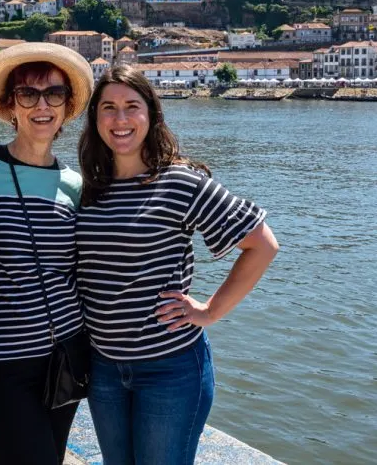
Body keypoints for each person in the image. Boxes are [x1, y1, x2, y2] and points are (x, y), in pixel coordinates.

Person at [75, 66, 279, 465]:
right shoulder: (89, 189)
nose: (120, 119)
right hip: (103, 369)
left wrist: (210, 311)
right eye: (108, 108)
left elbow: (262, 245)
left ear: (151, 115)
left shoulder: (180, 182)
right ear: (95, 117)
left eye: (132, 107)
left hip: (169, 369)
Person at [0, 43, 94, 465]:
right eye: (28, 94)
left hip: (65, 355)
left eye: (54, 93)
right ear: (11, 105)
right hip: (0, 364)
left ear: (67, 106)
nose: (41, 104)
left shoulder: (74, 184)